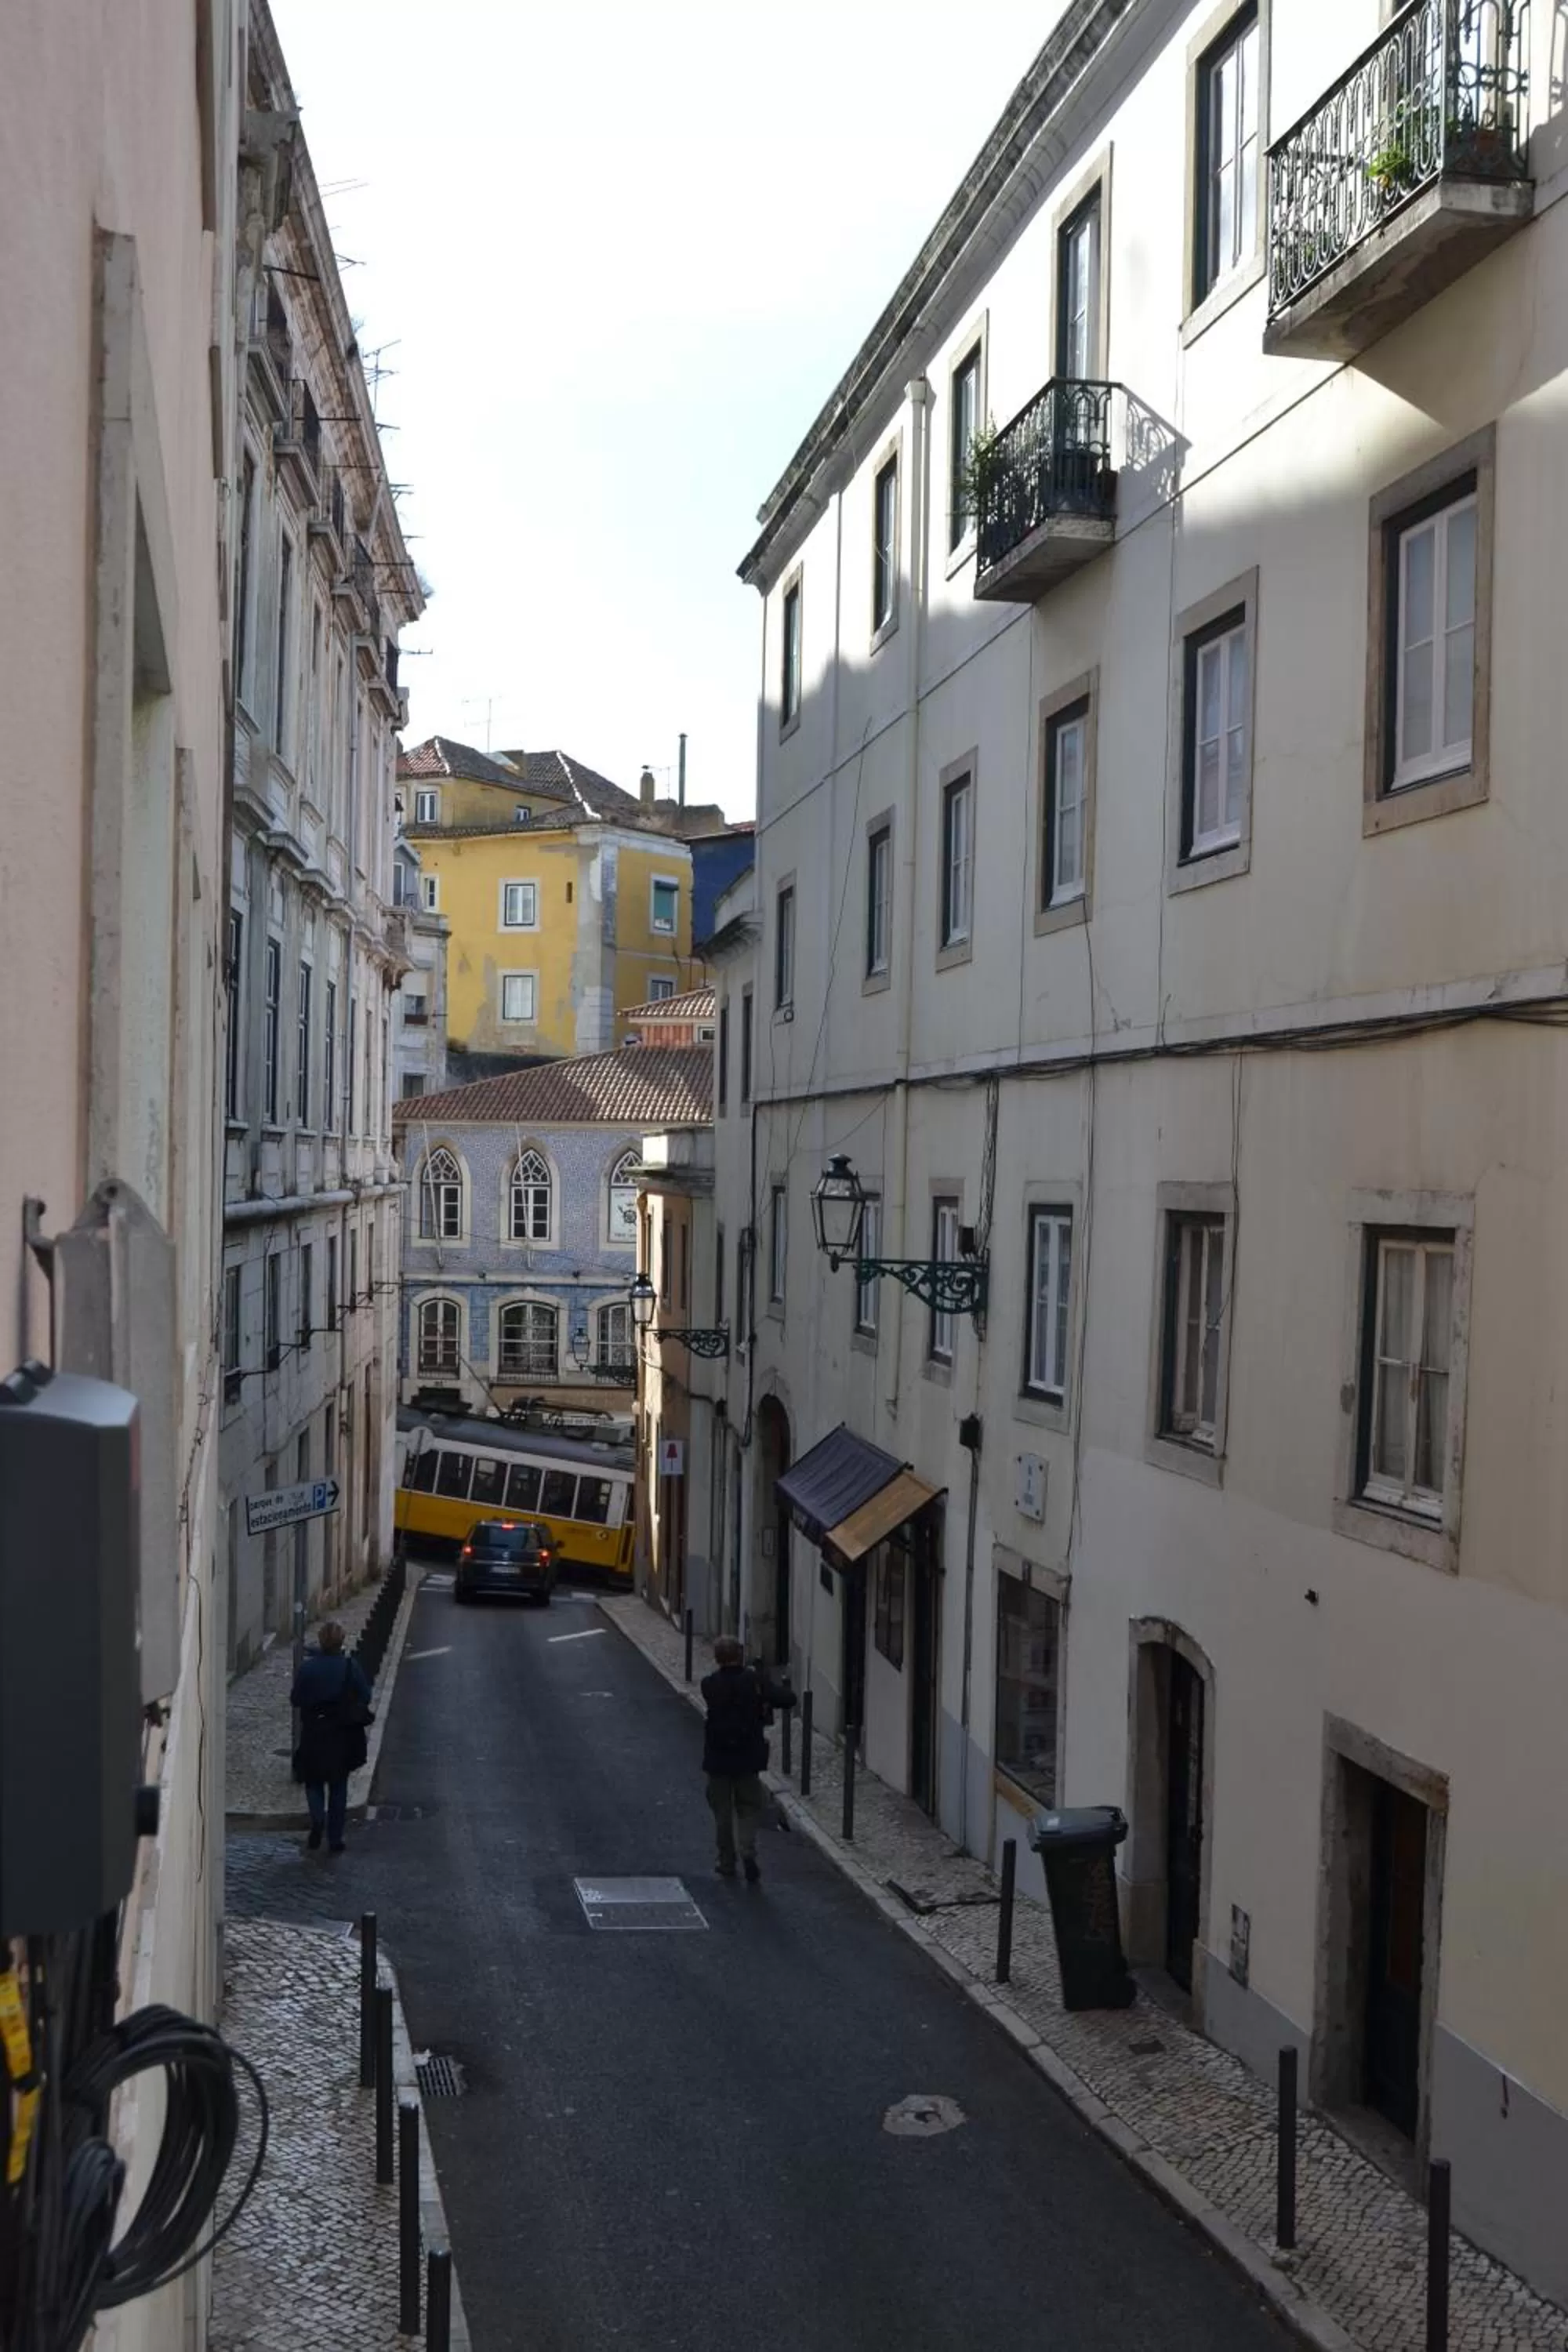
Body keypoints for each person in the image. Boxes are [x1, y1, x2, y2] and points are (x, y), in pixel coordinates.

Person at [290, 1620, 373, 1854]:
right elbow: (366, 1696)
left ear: (321, 1641)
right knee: (338, 1785)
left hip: (314, 1732)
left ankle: (318, 1819)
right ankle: (335, 1839)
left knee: (313, 1780)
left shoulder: (308, 1669)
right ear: (341, 1641)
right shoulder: (349, 1667)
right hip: (342, 1734)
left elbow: (296, 1699)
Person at [700, 1636, 779, 1884]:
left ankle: (726, 1861)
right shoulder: (753, 1681)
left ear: (717, 1658)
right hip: (748, 1757)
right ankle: (747, 1850)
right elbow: (787, 1698)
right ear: (740, 1655)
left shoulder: (708, 1684)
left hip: (718, 1758)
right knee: (749, 1807)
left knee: (722, 1813)